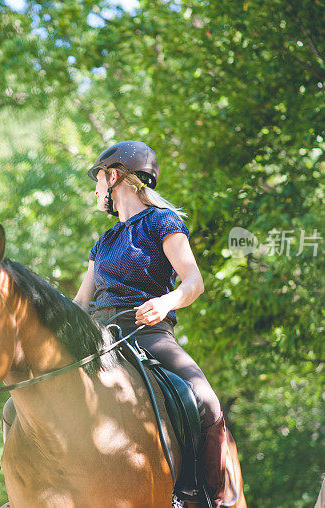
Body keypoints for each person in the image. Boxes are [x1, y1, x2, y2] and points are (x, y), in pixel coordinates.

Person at [72, 140, 230, 507]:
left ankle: (209, 495)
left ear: (115, 176)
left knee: (205, 400)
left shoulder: (163, 222)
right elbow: (81, 302)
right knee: (15, 408)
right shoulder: (103, 242)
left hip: (147, 331)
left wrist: (165, 302)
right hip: (97, 337)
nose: (96, 189)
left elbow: (194, 281)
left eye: (98, 179)